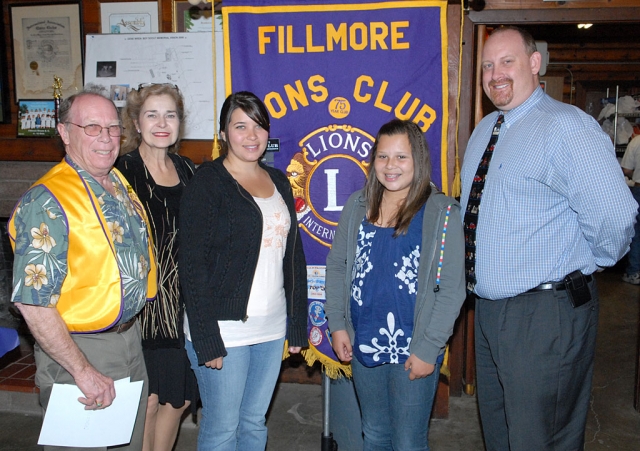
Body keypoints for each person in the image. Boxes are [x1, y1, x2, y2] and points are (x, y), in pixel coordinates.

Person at [460, 26, 637, 451]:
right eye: (487, 65)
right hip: (489, 312)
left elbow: (616, 218)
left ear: (535, 63)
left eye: (507, 61)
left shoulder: (566, 127)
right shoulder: (486, 129)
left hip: (545, 315)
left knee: (541, 440)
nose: (495, 73)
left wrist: (580, 267)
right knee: (501, 436)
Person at [8, 85, 157, 450]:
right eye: (92, 127)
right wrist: (82, 371)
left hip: (127, 343)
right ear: (64, 132)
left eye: (111, 128)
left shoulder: (116, 183)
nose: (106, 138)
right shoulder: (47, 201)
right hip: (80, 350)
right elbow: (32, 302)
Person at [325, 119, 466, 451]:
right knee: (374, 434)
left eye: (401, 157)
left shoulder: (441, 213)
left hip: (413, 350)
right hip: (364, 345)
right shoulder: (357, 206)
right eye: (383, 157)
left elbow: (451, 289)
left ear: (418, 160)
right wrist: (338, 325)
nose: (391, 166)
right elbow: (337, 266)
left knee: (407, 442)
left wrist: (428, 348)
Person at [179, 91, 308, 451]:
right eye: (240, 126)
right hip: (223, 331)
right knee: (222, 427)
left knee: (254, 422)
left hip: (270, 328)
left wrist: (296, 320)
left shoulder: (279, 180)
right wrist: (205, 338)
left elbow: (292, 255)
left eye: (259, 127)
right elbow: (191, 265)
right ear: (223, 134)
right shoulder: (207, 183)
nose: (251, 136)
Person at [116, 83, 198, 451]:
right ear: (136, 121)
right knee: (147, 402)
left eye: (170, 114)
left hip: (184, 306)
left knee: (177, 400)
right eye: (152, 114)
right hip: (145, 308)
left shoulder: (189, 170)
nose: (162, 123)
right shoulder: (122, 171)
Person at [620, 134, 640, 284]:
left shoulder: (636, 141)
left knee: (637, 233)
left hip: (639, 190)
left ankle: (634, 272)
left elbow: (626, 170)